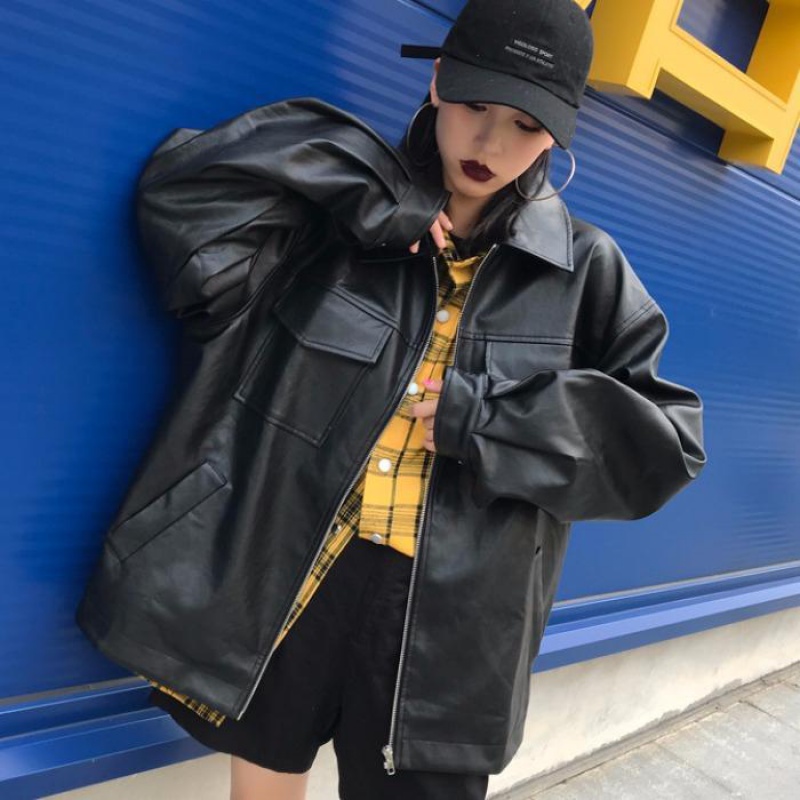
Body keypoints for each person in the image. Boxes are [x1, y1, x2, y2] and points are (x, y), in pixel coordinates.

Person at [75, 1, 706, 799]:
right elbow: (181, 194)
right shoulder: (335, 220)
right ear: (439, 81)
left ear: (556, 136)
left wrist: (488, 420)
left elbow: (667, 446)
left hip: (452, 622)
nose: (489, 144)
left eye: (525, 124)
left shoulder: (587, 273)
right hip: (292, 568)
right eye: (475, 105)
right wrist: (360, 184)